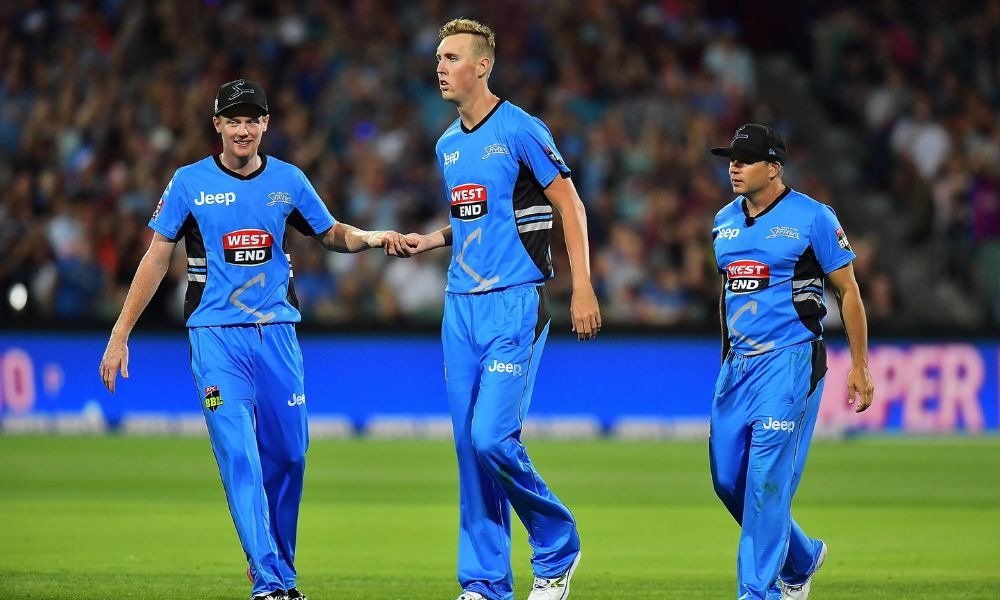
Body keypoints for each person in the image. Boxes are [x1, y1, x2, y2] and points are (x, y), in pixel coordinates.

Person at [98, 79, 404, 600]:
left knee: (290, 456)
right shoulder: (189, 183)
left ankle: (277, 569)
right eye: (233, 120)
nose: (243, 129)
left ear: (265, 125)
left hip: (277, 338)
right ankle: (270, 583)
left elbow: (329, 232)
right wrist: (120, 332)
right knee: (240, 454)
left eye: (252, 120)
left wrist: (370, 238)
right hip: (215, 340)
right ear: (217, 125)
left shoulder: (288, 180)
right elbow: (155, 258)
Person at [394, 18, 601, 600]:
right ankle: (485, 583)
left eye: (452, 57)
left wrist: (582, 285)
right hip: (459, 307)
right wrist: (431, 241)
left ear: (482, 66)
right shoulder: (447, 145)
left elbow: (571, 205)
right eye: (438, 56)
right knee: (468, 448)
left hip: (516, 304)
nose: (440, 66)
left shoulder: (520, 130)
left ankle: (558, 546)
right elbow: (476, 222)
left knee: (491, 437)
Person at [708, 123, 875, 600]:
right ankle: (800, 557)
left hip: (790, 362)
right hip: (737, 368)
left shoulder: (813, 218)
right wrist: (726, 364)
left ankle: (758, 592)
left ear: (774, 168)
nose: (734, 167)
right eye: (731, 160)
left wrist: (860, 365)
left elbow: (848, 292)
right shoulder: (723, 222)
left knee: (765, 481)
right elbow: (730, 301)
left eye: (745, 160)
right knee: (726, 479)